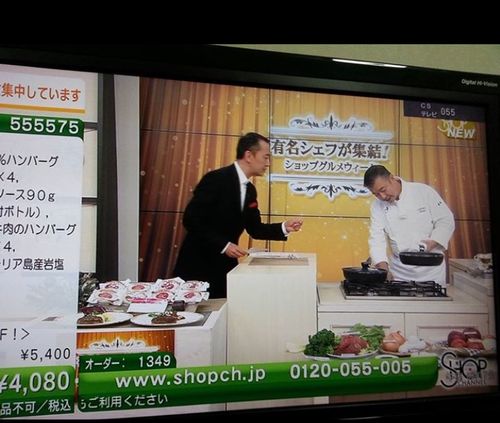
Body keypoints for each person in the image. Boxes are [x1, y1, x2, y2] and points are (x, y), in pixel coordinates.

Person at [174, 132, 303, 298]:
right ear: (249, 156)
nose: (268, 163)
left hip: (224, 268)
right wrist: (224, 245)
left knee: (223, 309)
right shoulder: (215, 179)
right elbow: (191, 219)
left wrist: (284, 227)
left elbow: (255, 229)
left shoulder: (250, 190)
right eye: (265, 157)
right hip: (196, 265)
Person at [363, 165, 455, 286]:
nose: (382, 197)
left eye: (383, 190)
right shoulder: (377, 206)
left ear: (391, 178)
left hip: (431, 271)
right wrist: (384, 271)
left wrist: (433, 242)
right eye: (376, 194)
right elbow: (376, 240)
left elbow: (446, 220)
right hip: (399, 273)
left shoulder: (423, 191)